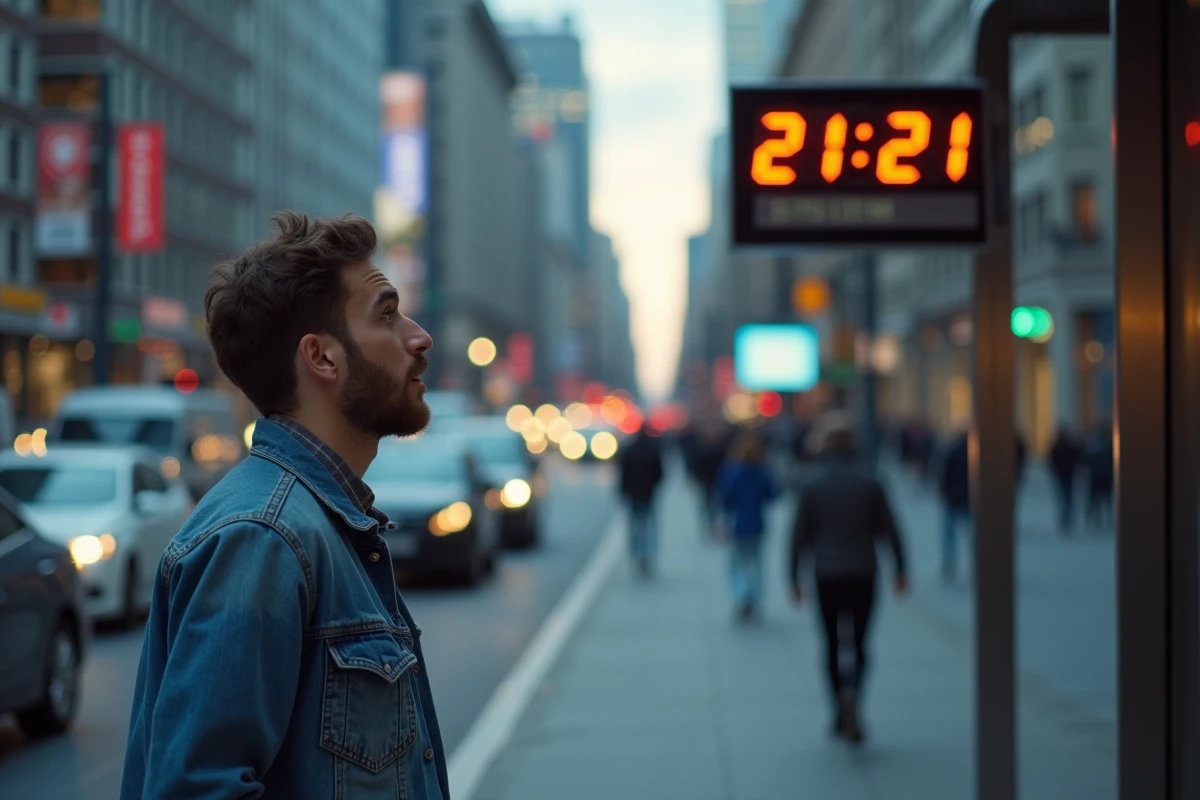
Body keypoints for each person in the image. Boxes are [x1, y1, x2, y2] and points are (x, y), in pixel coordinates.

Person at [120, 213, 449, 800]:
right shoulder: (263, 538)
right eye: (387, 313)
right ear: (322, 358)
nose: (418, 337)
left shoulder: (318, 524)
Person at [789, 426, 907, 745]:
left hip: (826, 573)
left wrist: (793, 578)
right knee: (859, 642)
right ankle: (854, 692)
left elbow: (799, 536)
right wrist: (900, 570)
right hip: (863, 572)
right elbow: (890, 528)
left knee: (830, 644)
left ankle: (838, 710)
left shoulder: (811, 483)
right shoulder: (870, 481)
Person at [718, 433, 779, 621]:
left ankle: (741, 593)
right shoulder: (762, 471)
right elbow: (773, 494)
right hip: (757, 522)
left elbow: (724, 497)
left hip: (737, 522)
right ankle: (754, 595)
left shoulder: (731, 471)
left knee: (737, 562)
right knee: (756, 562)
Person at [618, 427, 665, 577]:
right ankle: (647, 555)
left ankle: (636, 554)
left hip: (633, 494)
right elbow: (660, 474)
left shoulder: (629, 451)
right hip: (648, 494)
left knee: (634, 528)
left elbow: (623, 474)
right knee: (649, 527)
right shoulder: (653, 451)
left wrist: (623, 491)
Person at [939, 430, 971, 582]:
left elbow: (944, 475)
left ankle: (949, 562)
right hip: (968, 500)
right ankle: (976, 562)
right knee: (972, 534)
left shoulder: (952, 453)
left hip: (952, 499)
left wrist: (944, 493)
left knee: (949, 535)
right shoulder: (974, 455)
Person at [1050, 426, 1081, 533]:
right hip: (1065, 474)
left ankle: (1066, 518)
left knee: (1065, 496)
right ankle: (1066, 518)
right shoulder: (1064, 446)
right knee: (1066, 496)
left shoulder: (1061, 446)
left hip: (1065, 474)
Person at [1084, 421, 1115, 530]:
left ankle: (1101, 518)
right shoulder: (1103, 444)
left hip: (1102, 475)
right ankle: (1098, 518)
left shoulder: (1102, 444)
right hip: (1099, 475)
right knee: (1099, 499)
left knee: (1101, 499)